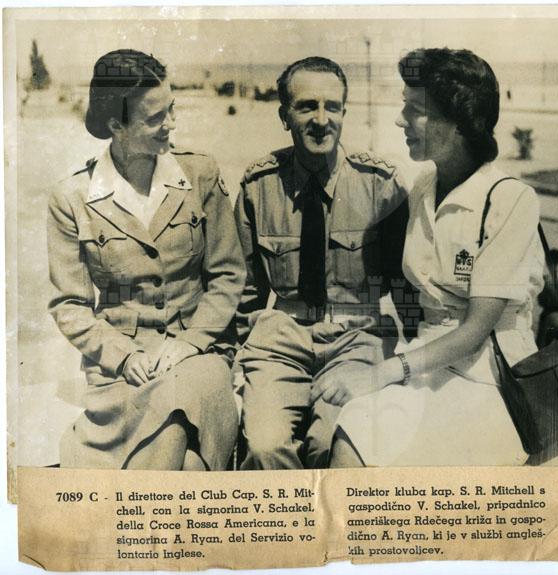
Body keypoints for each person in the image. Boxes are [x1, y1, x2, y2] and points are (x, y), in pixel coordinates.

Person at [329, 48, 545, 467]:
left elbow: (476, 330)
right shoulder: (423, 185)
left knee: (390, 458)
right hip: (424, 359)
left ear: (458, 121)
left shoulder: (511, 200)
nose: (400, 120)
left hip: (490, 376)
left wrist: (382, 372)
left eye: (415, 111)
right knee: (350, 440)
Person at [48, 49, 246, 470]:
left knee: (174, 421)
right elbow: (70, 305)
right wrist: (125, 357)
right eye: (155, 117)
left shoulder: (200, 175)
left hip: (200, 352)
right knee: (187, 462)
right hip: (121, 368)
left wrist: (190, 341)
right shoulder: (72, 199)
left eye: (172, 108)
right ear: (116, 126)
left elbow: (228, 275)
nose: (171, 123)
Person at [234, 56, 416, 469]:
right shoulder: (258, 187)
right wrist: (236, 362)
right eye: (306, 107)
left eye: (332, 107)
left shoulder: (381, 187)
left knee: (332, 442)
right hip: (280, 342)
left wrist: (408, 363)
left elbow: (406, 287)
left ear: (344, 112)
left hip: (358, 338)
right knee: (263, 446)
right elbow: (245, 293)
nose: (321, 120)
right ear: (285, 116)